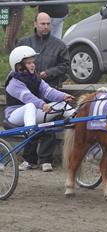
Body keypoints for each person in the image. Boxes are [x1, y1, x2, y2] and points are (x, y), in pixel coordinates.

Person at [5, 45, 76, 172]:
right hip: (15, 115)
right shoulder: (14, 82)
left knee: (61, 104)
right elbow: (28, 98)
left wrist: (64, 96)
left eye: (33, 62)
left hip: (32, 113)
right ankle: (30, 132)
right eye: (29, 63)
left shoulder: (35, 78)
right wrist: (43, 105)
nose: (33, 65)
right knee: (30, 105)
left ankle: (80, 120)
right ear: (19, 66)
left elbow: (49, 92)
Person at [16, 12, 71, 172]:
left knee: (48, 123)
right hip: (28, 90)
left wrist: (48, 73)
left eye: (48, 24)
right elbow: (17, 64)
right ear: (35, 24)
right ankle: (29, 159)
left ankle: (46, 160)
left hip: (50, 88)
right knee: (31, 123)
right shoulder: (23, 43)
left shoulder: (59, 45)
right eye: (42, 23)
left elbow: (65, 66)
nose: (46, 26)